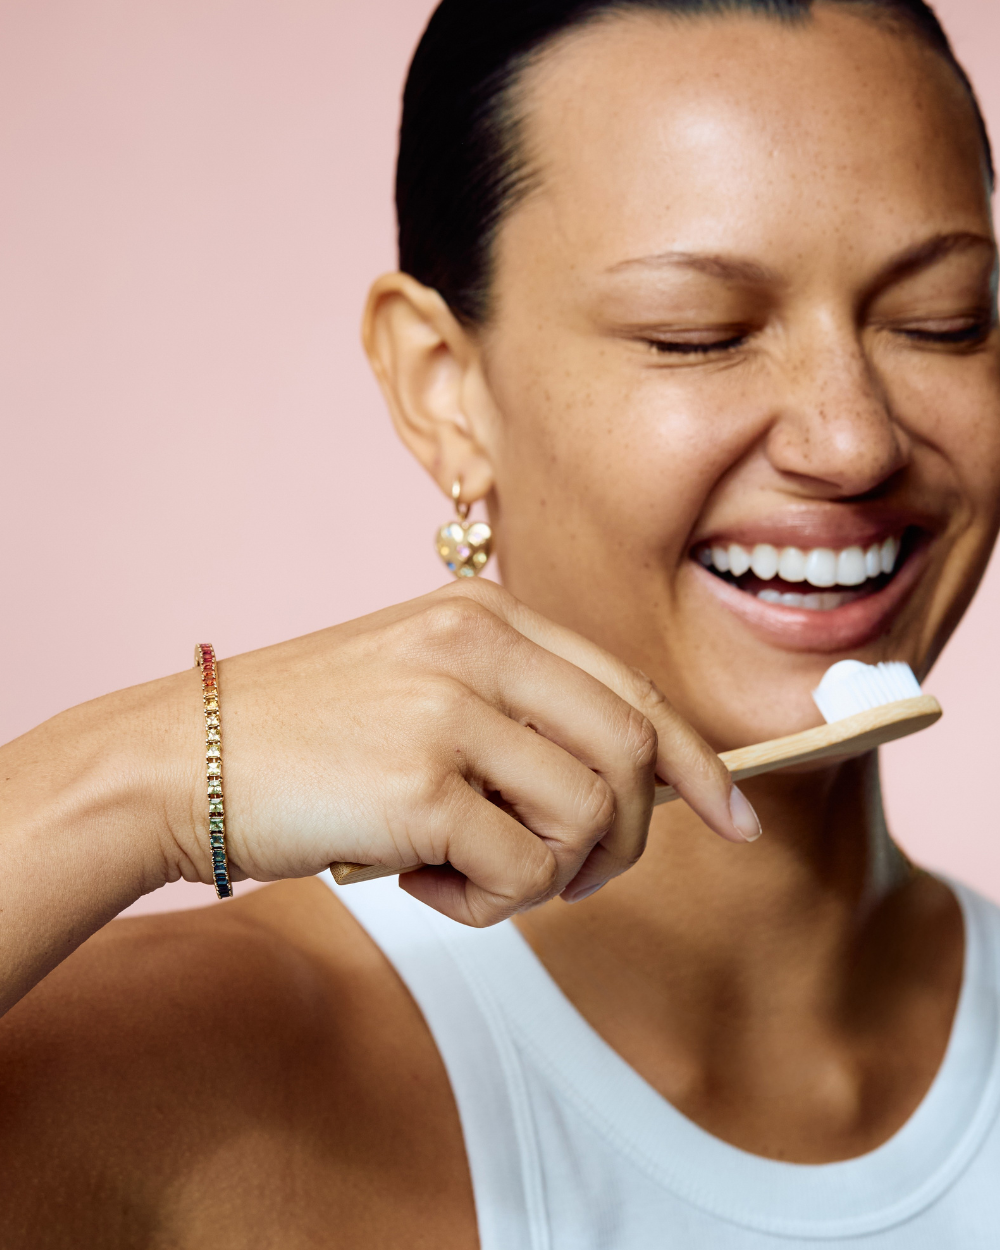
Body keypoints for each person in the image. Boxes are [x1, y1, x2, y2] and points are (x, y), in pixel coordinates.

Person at [2, 0, 998, 1244]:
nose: (853, 440)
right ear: (445, 391)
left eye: (942, 319)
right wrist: (135, 775)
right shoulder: (166, 1072)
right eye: (698, 335)